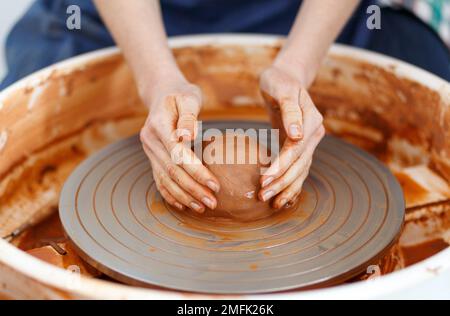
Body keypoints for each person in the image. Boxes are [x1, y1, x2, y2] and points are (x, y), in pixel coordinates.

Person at [2, 0, 449, 214]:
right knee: (31, 105)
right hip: (124, 18)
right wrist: (158, 79)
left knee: (424, 81)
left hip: (305, 15)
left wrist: (296, 68)